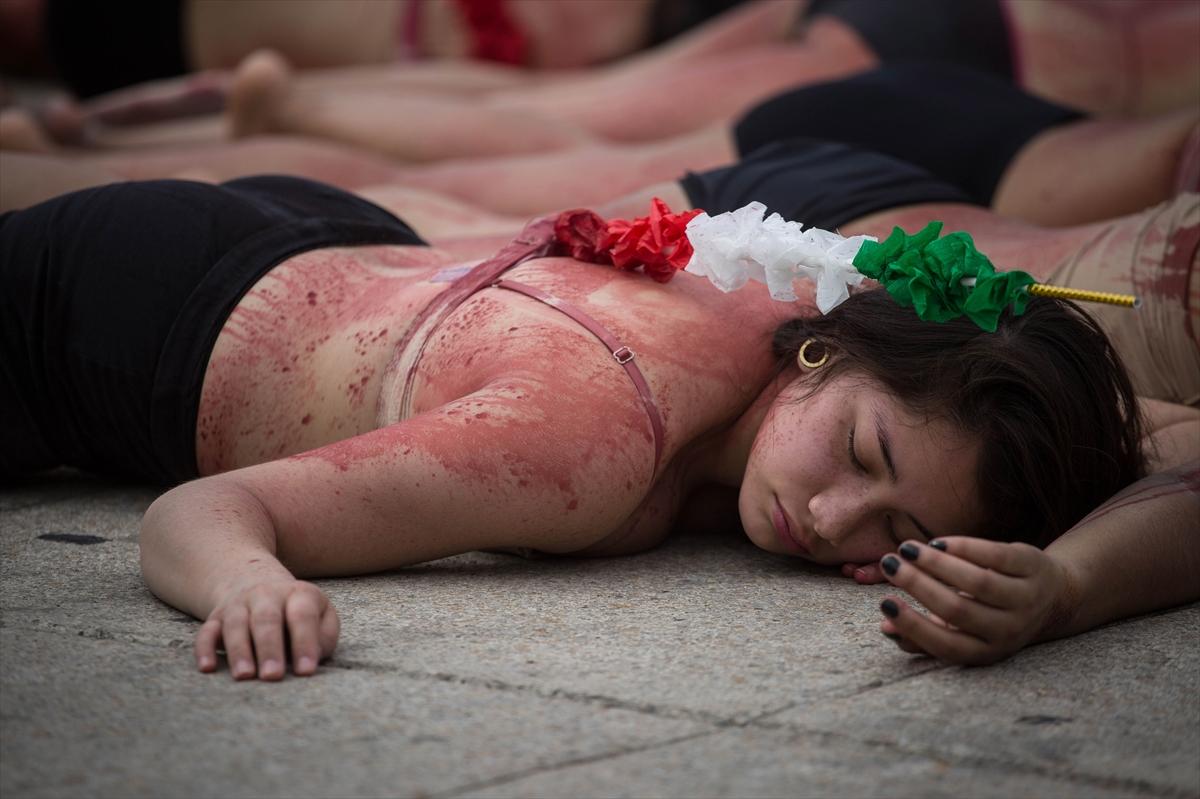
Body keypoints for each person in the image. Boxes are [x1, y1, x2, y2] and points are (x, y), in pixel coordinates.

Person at [3, 144, 1197, 680]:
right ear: (821, 355)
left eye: (900, 531)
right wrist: (249, 585)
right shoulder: (584, 443)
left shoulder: (830, 312)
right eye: (858, 454)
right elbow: (205, 512)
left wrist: (1064, 584)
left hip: (335, 244)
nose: (836, 519)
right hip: (117, 321)